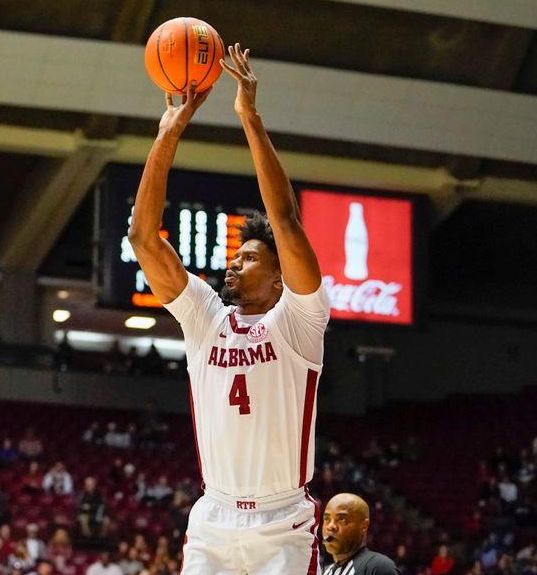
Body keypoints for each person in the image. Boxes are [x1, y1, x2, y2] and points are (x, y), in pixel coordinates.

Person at [127, 43, 330, 574]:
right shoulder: (204, 316)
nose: (233, 265)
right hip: (212, 517)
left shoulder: (300, 321)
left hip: (283, 521)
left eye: (248, 257)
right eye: (233, 257)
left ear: (280, 272)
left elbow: (284, 219)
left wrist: (249, 118)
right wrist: (169, 128)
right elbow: (143, 238)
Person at [321, 493, 400, 575]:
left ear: (364, 526)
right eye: (327, 519)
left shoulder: (379, 566)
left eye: (342, 519)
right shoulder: (324, 572)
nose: (330, 526)